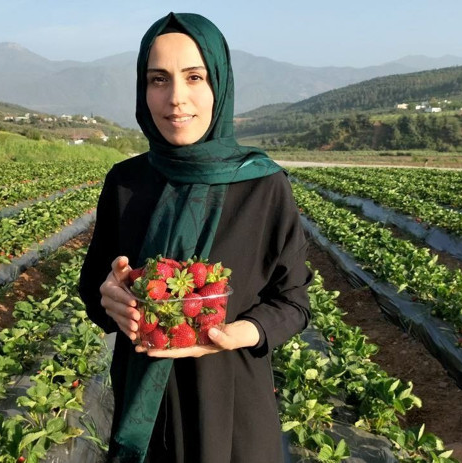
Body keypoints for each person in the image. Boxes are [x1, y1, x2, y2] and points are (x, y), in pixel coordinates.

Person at [79, 12, 312, 463]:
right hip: (144, 415)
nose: (176, 98)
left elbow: (294, 302)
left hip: (232, 407)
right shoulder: (125, 183)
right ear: (142, 88)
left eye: (194, 77)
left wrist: (240, 333)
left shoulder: (262, 185)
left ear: (218, 84)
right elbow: (95, 288)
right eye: (158, 79)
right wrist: (109, 297)